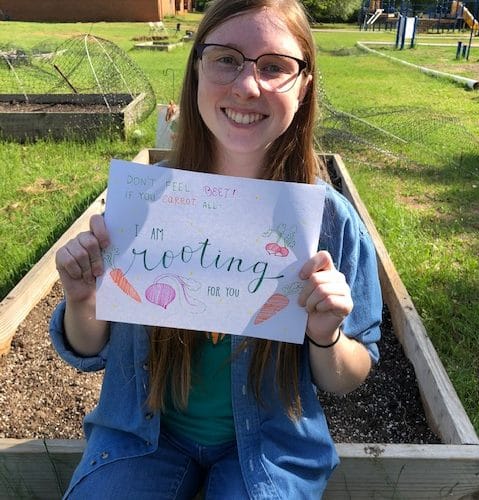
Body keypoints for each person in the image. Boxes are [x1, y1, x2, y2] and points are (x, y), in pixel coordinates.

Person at [50, 0, 382, 498]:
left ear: (305, 83)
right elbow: (88, 347)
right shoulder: (146, 204)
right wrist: (84, 300)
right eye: (226, 58)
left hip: (271, 451)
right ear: (197, 69)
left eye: (274, 66)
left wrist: (326, 334)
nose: (247, 86)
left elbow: (348, 378)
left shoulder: (329, 222)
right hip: (143, 441)